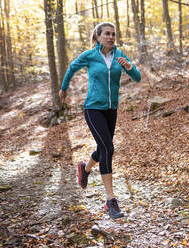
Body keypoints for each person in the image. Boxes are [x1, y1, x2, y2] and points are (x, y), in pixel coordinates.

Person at [59, 22, 141, 219]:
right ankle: (111, 200)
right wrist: (64, 87)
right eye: (107, 34)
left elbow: (137, 77)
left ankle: (84, 168)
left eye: (113, 34)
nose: (111, 37)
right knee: (108, 148)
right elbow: (71, 68)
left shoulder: (120, 55)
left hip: (111, 109)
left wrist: (129, 67)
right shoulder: (90, 55)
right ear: (98, 36)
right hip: (93, 107)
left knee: (103, 147)